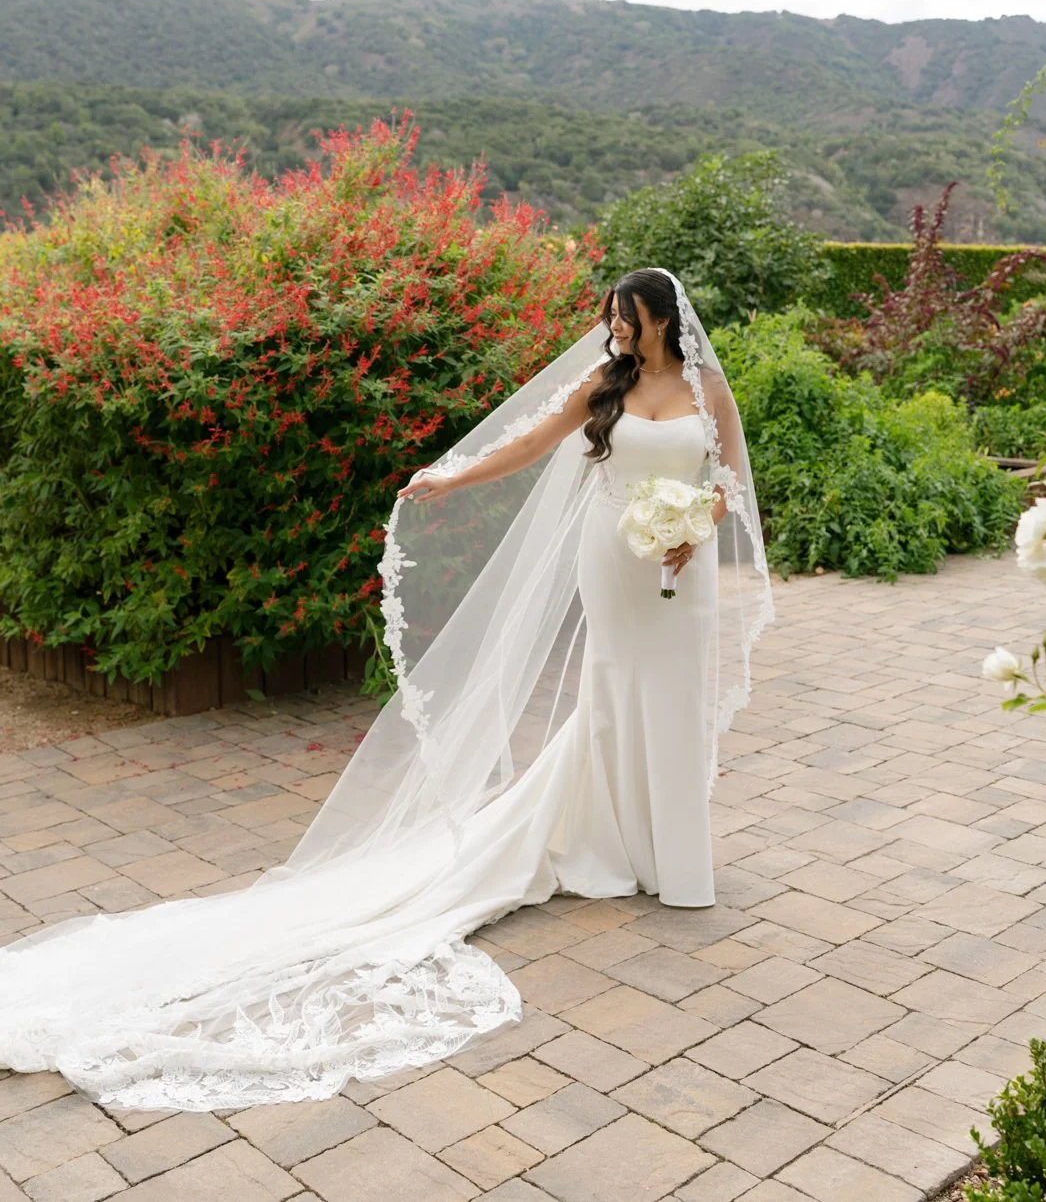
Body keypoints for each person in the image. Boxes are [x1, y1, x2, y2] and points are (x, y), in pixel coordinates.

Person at [0, 266, 773, 1111]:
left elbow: (729, 482)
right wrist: (451, 476)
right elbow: (528, 444)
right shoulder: (603, 382)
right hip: (609, 557)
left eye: (627, 318)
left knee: (675, 699)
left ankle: (674, 860)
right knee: (613, 694)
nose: (614, 328)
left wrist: (694, 529)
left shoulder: (707, 390)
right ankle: (612, 846)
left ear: (662, 318)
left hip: (678, 566)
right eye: (611, 317)